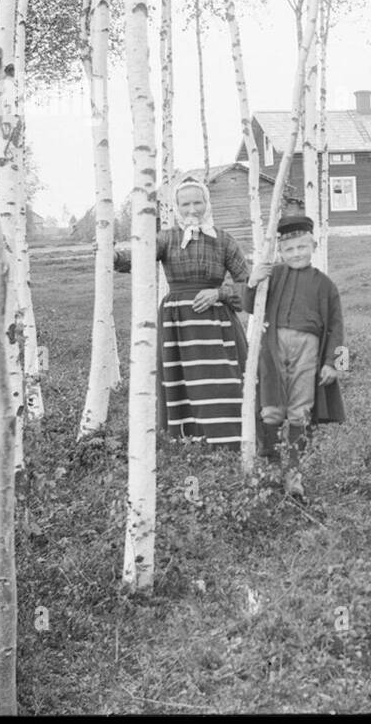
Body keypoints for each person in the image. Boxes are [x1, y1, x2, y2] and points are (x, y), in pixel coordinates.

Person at [114, 177, 250, 449]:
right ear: (176, 207)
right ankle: (188, 443)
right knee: (183, 381)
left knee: (223, 380)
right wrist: (113, 256)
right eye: (185, 203)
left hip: (217, 324)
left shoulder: (224, 240)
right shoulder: (167, 238)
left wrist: (219, 293)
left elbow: (246, 284)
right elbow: (138, 257)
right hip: (178, 323)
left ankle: (230, 442)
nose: (192, 209)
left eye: (197, 202)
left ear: (207, 204)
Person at [244, 215, 346, 501]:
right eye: (289, 250)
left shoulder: (325, 285)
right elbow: (249, 306)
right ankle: (270, 468)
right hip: (273, 350)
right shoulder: (272, 276)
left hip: (308, 351)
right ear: (280, 252)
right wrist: (253, 282)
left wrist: (336, 364)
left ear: (313, 245)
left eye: (302, 247)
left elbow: (338, 326)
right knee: (271, 409)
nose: (296, 254)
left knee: (300, 410)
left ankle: (294, 476)